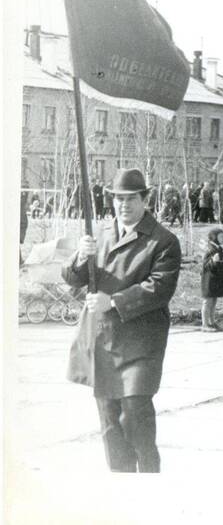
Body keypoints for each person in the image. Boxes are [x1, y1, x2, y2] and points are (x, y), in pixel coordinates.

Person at [63, 168, 182, 472]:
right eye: (118, 199)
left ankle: (149, 483)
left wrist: (114, 301)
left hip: (140, 344)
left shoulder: (163, 241)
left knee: (135, 417)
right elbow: (72, 278)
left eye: (130, 198)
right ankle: (122, 490)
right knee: (109, 425)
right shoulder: (100, 235)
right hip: (103, 339)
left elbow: (159, 288)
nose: (123, 205)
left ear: (145, 199)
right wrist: (79, 256)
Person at [200, 226, 223, 332]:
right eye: (220, 236)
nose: (222, 238)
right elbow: (205, 266)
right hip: (208, 279)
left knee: (213, 300)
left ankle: (212, 322)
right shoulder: (210, 249)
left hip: (215, 279)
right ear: (214, 237)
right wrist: (213, 261)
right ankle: (205, 324)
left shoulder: (218, 248)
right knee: (207, 301)